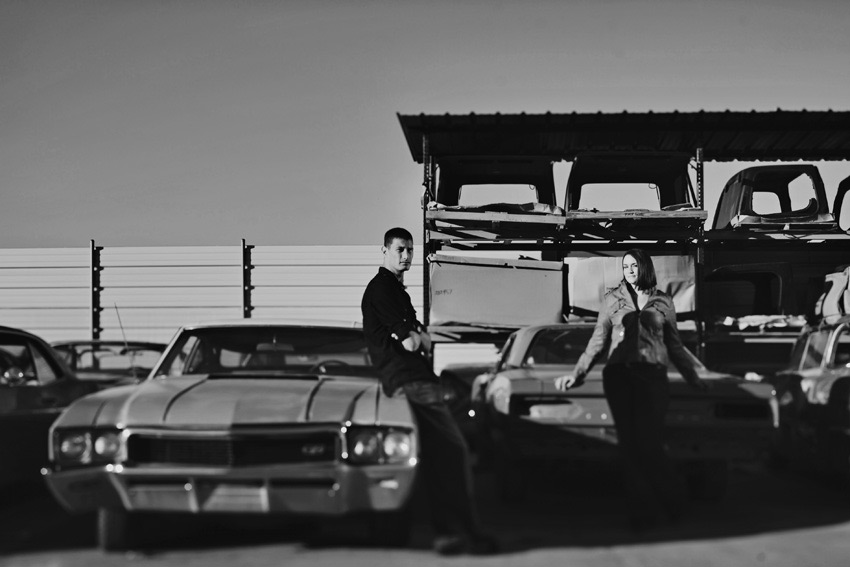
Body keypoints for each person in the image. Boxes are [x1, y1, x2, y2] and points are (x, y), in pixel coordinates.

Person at [361, 227, 496, 556]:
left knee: (438, 458)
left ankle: (450, 533)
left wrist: (420, 337)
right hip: (411, 381)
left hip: (413, 380)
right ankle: (464, 531)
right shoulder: (382, 289)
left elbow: (421, 338)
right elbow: (411, 340)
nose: (406, 256)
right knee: (453, 454)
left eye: (409, 250)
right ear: (384, 251)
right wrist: (419, 338)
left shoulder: (397, 291)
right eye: (399, 250)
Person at [554, 248, 709, 533]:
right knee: (630, 446)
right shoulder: (612, 299)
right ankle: (643, 512)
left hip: (652, 376)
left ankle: (674, 504)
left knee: (649, 444)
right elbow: (598, 341)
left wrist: (693, 376)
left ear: (644, 267)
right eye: (625, 266)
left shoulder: (663, 301)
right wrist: (577, 374)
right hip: (619, 376)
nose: (630, 271)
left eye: (634, 265)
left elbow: (674, 344)